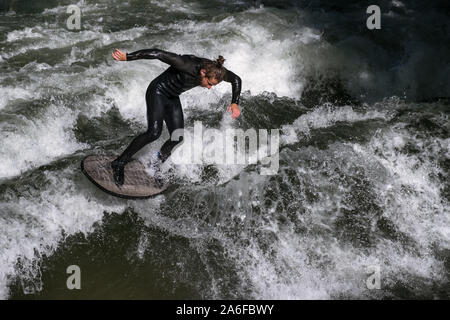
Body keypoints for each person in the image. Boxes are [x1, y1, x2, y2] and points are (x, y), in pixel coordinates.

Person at [110, 48, 242, 187]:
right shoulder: (187, 64)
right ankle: (119, 162)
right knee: (153, 133)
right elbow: (158, 53)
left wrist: (235, 103)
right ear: (203, 73)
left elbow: (236, 79)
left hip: (172, 96)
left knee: (177, 137)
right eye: (209, 84)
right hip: (158, 91)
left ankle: (155, 165)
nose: (209, 87)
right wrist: (128, 57)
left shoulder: (216, 70)